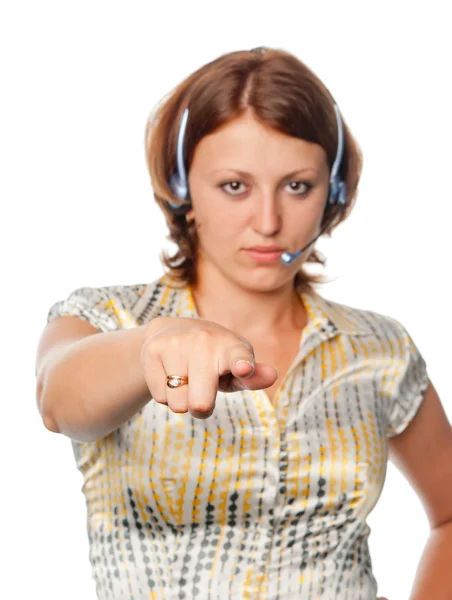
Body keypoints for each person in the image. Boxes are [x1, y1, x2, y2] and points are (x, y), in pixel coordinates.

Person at [35, 47, 452, 600]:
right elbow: (59, 400)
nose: (268, 221)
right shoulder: (105, 319)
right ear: (182, 188)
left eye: (297, 186)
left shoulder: (379, 347)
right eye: (235, 186)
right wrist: (153, 344)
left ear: (335, 191)